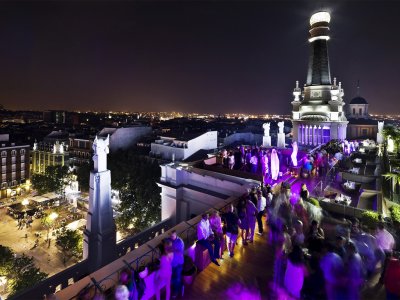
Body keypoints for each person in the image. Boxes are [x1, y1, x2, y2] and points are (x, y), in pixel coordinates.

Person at [170, 230, 184, 298]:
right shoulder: (170, 240)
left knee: (177, 278)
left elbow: (180, 253)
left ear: (176, 235)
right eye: (170, 236)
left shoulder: (180, 242)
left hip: (178, 263)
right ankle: (177, 288)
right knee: (173, 277)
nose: (171, 237)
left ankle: (176, 292)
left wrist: (173, 250)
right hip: (172, 264)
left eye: (172, 236)